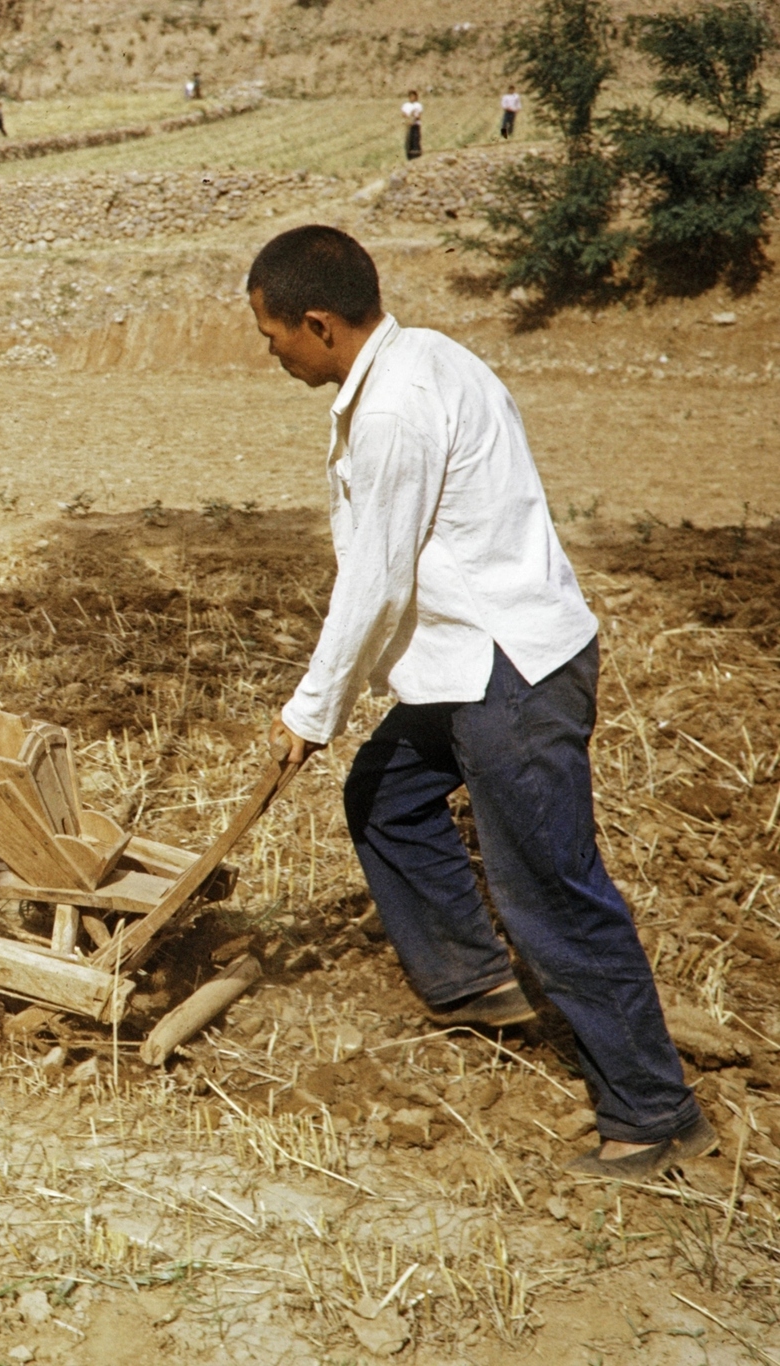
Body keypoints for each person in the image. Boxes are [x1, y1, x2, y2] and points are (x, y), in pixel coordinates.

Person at [242, 225, 713, 1181]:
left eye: (272, 336)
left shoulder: (395, 411)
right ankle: (469, 982)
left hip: (510, 674)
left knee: (554, 896)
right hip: (471, 661)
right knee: (385, 797)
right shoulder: (420, 357)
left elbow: (373, 582)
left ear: (319, 324)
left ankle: (654, 1113)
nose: (273, 355)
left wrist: (307, 714)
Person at [402, 90, 424, 160]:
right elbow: (404, 114)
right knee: (409, 140)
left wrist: (414, 117)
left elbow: (419, 116)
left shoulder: (418, 105)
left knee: (416, 139)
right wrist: (408, 118)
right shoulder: (406, 105)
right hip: (409, 125)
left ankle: (417, 155)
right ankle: (410, 156)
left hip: (416, 124)